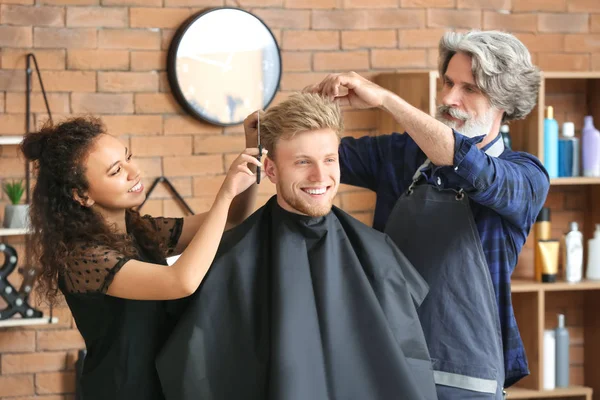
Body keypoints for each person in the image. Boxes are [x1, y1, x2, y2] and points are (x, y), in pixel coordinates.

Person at [306, 30, 549, 399]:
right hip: (390, 366)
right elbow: (316, 159)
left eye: (470, 89)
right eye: (449, 82)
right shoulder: (401, 154)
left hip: (469, 382)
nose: (450, 98)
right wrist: (276, 130)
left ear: (504, 99)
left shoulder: (525, 177)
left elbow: (469, 163)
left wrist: (386, 100)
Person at [156, 93, 438, 400]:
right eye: (303, 162)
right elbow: (198, 374)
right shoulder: (233, 259)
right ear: (271, 170)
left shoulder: (378, 252)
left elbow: (410, 367)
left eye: (329, 160)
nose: (320, 176)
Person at [20, 115, 264, 400]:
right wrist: (225, 193)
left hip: (165, 385)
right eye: (115, 171)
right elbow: (181, 281)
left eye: (129, 158)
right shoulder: (82, 258)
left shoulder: (141, 230)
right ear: (82, 195)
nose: (134, 172)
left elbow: (232, 219)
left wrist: (253, 147)